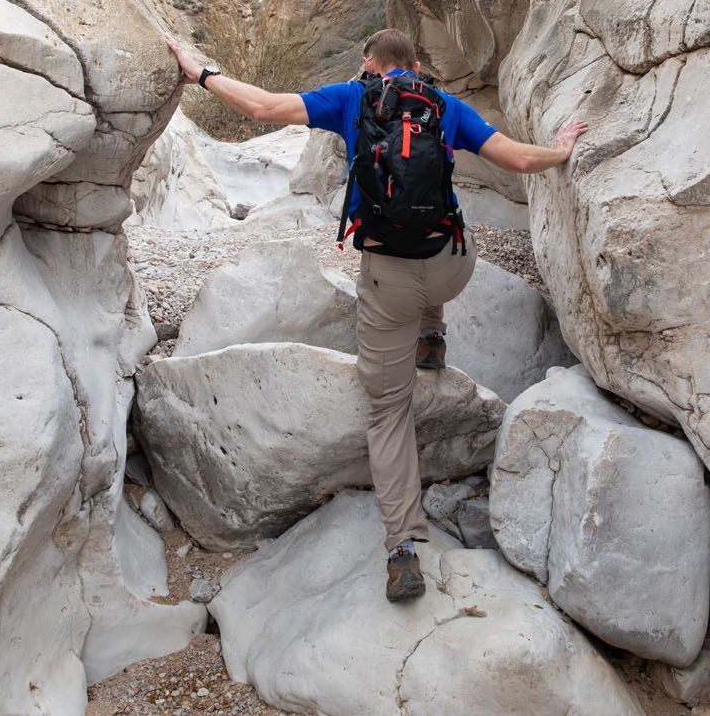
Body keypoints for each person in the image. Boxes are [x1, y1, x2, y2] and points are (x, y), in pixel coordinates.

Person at [164, 29, 587, 602]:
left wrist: (201, 73)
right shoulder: (446, 106)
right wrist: (561, 150)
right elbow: (514, 158)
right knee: (446, 234)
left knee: (389, 409)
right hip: (451, 266)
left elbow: (262, 105)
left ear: (370, 64)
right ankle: (433, 336)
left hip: (388, 276)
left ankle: (403, 548)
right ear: (415, 64)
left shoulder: (349, 98)